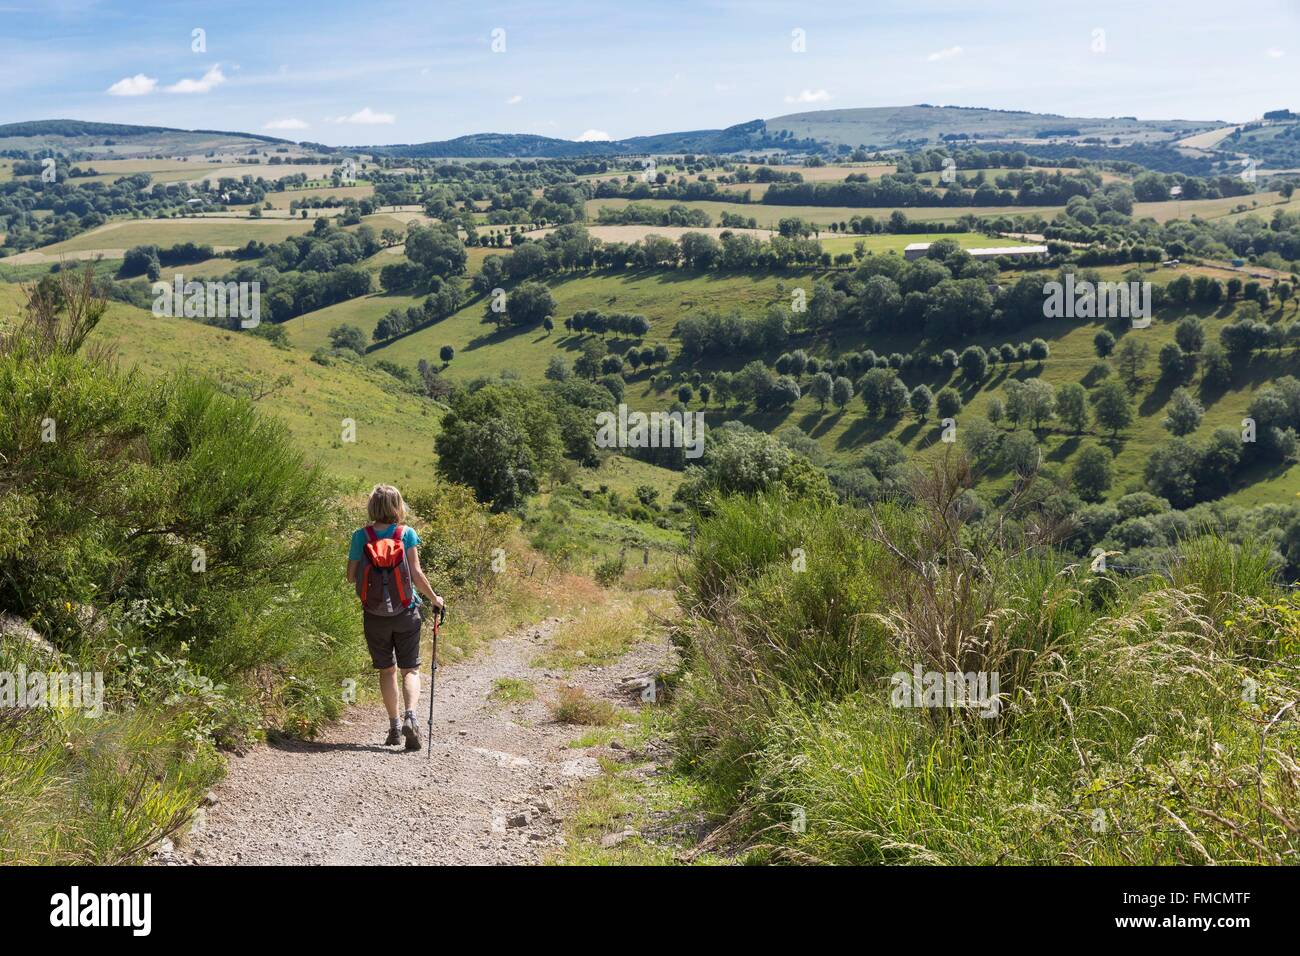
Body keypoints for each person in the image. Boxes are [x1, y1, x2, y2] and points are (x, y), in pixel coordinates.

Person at [346, 484, 444, 750]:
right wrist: (435, 599)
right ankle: (411, 717)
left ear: (372, 507)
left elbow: (351, 576)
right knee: (410, 669)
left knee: (387, 671)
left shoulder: (360, 536)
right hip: (406, 611)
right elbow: (416, 574)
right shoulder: (406, 533)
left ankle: (394, 727)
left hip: (374, 615)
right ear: (397, 506)